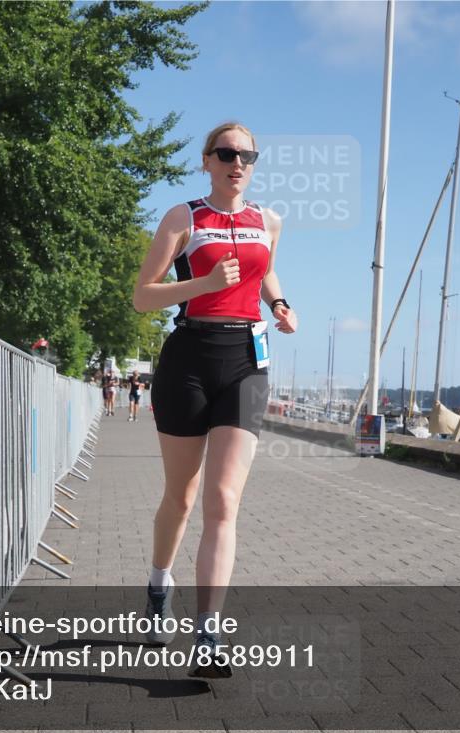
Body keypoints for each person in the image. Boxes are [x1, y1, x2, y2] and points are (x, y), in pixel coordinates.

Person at [132, 122, 297, 678]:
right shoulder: (184, 218)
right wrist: (199, 286)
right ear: (206, 161)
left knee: (223, 501)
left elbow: (266, 269)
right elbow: (142, 296)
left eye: (248, 154)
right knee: (181, 497)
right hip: (189, 362)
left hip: (246, 363)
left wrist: (279, 303)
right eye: (227, 153)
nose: (238, 162)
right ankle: (158, 586)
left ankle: (208, 635)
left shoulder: (267, 221)